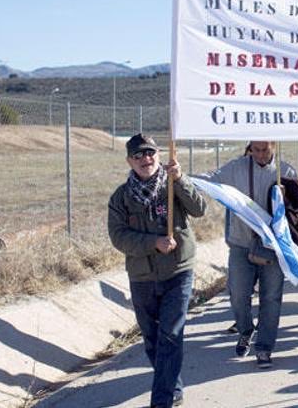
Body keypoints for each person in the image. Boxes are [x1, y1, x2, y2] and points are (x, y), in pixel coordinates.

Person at [108, 134, 207, 408]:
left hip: (178, 271)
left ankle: (161, 400)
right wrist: (153, 243)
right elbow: (119, 237)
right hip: (142, 276)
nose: (145, 159)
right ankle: (173, 387)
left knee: (171, 335)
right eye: (138, 155)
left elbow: (200, 209)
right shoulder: (121, 197)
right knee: (152, 339)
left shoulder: (173, 186)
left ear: (159, 156)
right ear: (129, 160)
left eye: (150, 153)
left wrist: (181, 179)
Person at [199, 141, 298, 368]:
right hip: (240, 244)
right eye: (255, 150)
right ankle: (246, 330)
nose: (259, 155)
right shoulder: (236, 167)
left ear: (274, 146)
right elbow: (211, 179)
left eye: (265, 150)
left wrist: (287, 198)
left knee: (271, 298)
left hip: (273, 248)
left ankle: (265, 347)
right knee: (238, 293)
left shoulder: (285, 171)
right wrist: (184, 177)